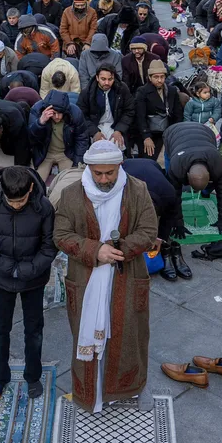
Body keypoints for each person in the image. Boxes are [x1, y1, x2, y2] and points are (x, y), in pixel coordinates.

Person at [54, 140, 158, 413]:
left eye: (109, 173)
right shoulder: (71, 195)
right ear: (88, 169)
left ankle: (126, 388)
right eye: (97, 173)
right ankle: (91, 393)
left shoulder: (138, 190)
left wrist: (117, 250)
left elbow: (148, 231)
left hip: (127, 276)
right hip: (86, 280)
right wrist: (95, 250)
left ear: (119, 167)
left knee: (129, 336)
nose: (103, 179)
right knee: (84, 334)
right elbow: (61, 235)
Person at [0, 165, 57, 400]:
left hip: (33, 279)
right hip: (2, 279)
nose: (16, 205)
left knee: (34, 330)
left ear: (31, 189)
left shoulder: (44, 208)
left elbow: (50, 245)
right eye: (12, 202)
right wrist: (7, 268)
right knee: (0, 331)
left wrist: (28, 269)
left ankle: (33, 376)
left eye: (21, 201)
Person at [122, 157, 190, 281]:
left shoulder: (169, 193)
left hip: (153, 166)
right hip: (128, 166)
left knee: (162, 232)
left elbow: (168, 218)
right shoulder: (124, 192)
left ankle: (167, 251)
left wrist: (160, 238)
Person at [163, 121, 222, 236]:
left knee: (220, 184)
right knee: (169, 184)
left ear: (210, 175)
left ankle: (206, 192)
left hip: (205, 132)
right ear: (187, 176)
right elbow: (174, 195)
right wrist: (177, 224)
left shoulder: (217, 162)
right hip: (173, 132)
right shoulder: (176, 165)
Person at [28, 90, 87, 181]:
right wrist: (40, 122)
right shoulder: (37, 109)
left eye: (60, 113)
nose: (57, 117)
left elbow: (81, 139)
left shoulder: (75, 113)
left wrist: (77, 164)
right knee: (35, 182)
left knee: (71, 182)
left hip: (66, 153)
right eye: (54, 113)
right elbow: (31, 138)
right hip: (44, 153)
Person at [78, 65, 134, 151]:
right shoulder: (87, 92)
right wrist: (94, 132)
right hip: (96, 126)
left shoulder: (122, 89)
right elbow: (82, 115)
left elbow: (129, 111)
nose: (107, 83)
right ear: (97, 78)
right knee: (99, 149)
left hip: (116, 125)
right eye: (103, 79)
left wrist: (119, 130)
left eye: (110, 79)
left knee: (116, 147)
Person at [134, 61, 181, 161]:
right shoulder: (142, 92)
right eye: (156, 77)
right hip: (150, 132)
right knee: (150, 159)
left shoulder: (171, 91)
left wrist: (175, 134)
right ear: (150, 78)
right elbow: (140, 116)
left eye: (162, 77)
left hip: (168, 131)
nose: (159, 80)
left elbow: (178, 114)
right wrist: (146, 137)